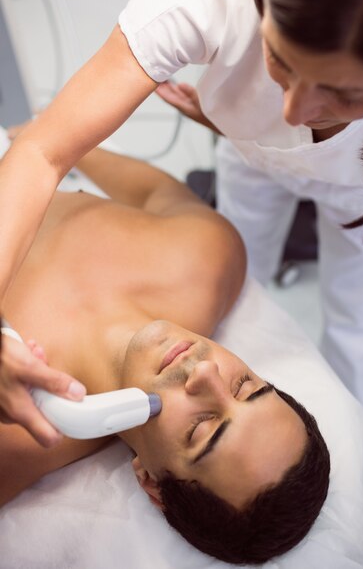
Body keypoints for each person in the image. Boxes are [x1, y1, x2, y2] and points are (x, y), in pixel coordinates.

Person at [0, 0, 363, 428]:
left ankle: (349, 416)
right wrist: (236, 124)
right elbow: (43, 148)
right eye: (278, 61)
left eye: (345, 95)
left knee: (359, 311)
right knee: (243, 283)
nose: (292, 114)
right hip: (247, 159)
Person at [0, 138, 330, 565]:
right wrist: (44, 141)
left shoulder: (15, 439)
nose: (206, 373)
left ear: (152, 483)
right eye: (245, 385)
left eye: (202, 429)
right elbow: (154, 191)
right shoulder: (209, 258)